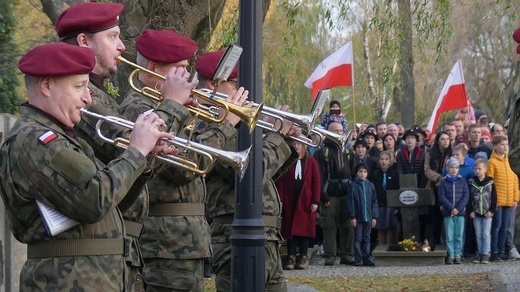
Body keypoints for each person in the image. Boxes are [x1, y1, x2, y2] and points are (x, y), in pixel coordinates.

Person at [0, 43, 173, 291]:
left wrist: (143, 162)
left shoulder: (65, 138)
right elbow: (94, 200)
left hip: (93, 278)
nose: (87, 97)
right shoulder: (36, 140)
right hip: (68, 281)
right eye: (79, 86)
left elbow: (114, 206)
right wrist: (136, 152)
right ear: (47, 86)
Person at [55, 4, 197, 290]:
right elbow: (131, 152)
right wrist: (171, 105)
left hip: (121, 248)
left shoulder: (99, 96)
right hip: (99, 255)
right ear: (84, 42)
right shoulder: (86, 101)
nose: (122, 46)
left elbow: (144, 162)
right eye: (113, 37)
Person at [193, 50, 300, 291]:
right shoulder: (210, 126)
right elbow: (249, 174)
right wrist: (276, 137)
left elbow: (263, 179)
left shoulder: (233, 124)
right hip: (234, 237)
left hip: (268, 235)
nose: (244, 92)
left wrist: (289, 146)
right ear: (213, 83)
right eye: (234, 83)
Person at [117, 29, 210, 291]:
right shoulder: (138, 108)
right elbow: (185, 170)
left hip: (185, 241)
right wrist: (178, 109)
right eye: (179, 69)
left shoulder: (171, 107)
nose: (187, 77)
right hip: (164, 243)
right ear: (152, 68)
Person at [314, 122, 355, 266]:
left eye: (340, 130)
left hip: (346, 194)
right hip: (329, 194)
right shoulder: (322, 151)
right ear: (329, 132)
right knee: (329, 226)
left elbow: (354, 172)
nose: (339, 133)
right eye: (335, 131)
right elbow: (318, 175)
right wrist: (322, 195)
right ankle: (330, 255)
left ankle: (347, 254)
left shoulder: (349, 151)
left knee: (347, 226)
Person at [275, 142, 321, 270]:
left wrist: (315, 201)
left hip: (305, 200)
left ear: (303, 146)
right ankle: (291, 256)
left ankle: (303, 256)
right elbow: (281, 181)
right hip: (290, 199)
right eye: (294, 143)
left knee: (304, 230)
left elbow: (316, 182)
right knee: (290, 230)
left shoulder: (311, 162)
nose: (296, 146)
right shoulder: (288, 161)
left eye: (299, 144)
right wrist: (281, 199)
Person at [486, 134, 520, 262]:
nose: (505, 147)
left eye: (506, 144)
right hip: (498, 201)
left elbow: (515, 180)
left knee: (505, 227)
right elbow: (490, 183)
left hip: (509, 200)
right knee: (497, 226)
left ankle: (502, 250)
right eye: (502, 144)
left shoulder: (510, 161)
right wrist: (493, 201)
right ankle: (494, 252)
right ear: (495, 146)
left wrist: (515, 198)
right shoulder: (491, 162)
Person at [396, 127, 427, 241]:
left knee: (419, 217)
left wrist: (420, 187)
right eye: (408, 138)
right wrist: (404, 185)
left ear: (416, 140)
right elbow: (400, 170)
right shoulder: (400, 154)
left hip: (419, 186)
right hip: (405, 188)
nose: (410, 140)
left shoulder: (422, 153)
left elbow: (424, 172)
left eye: (412, 138)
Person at [438, 157, 469, 265]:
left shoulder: (462, 181)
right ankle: (450, 254)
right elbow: (442, 197)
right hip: (448, 212)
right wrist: (451, 208)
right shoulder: (443, 182)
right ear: (448, 168)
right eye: (451, 167)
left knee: (459, 235)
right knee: (449, 235)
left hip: (460, 212)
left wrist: (457, 209)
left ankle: (458, 254)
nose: (454, 170)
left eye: (456, 167)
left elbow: (465, 196)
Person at [423, 131, 452, 245]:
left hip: (448, 186)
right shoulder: (429, 154)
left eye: (447, 139)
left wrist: (444, 179)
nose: (445, 141)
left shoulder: (452, 154)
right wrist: (439, 178)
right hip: (434, 186)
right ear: (438, 141)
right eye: (442, 139)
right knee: (434, 216)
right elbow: (427, 169)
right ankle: (434, 241)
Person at [348, 162, 378, 266]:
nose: (362, 174)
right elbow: (351, 202)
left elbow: (374, 201)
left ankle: (366, 257)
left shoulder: (370, 185)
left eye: (365, 172)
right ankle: (358, 258)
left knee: (367, 238)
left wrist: (374, 216)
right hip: (358, 217)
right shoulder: (353, 186)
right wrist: (352, 216)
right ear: (356, 173)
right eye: (360, 171)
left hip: (368, 217)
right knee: (357, 238)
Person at [468, 159, 497, 264]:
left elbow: (494, 198)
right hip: (476, 213)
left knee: (486, 234)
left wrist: (492, 211)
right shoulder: (472, 182)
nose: (477, 171)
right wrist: (470, 211)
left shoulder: (490, 182)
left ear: (485, 169)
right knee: (478, 234)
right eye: (475, 169)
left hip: (487, 213)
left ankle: (486, 253)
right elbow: (469, 198)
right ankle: (479, 252)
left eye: (479, 169)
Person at [370, 151, 399, 245]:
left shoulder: (394, 174)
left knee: (390, 227)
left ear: (390, 161)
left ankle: (389, 246)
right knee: (380, 227)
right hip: (379, 204)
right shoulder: (374, 174)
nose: (384, 161)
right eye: (382, 159)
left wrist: (396, 206)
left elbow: (396, 190)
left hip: (390, 204)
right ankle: (381, 247)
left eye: (386, 159)